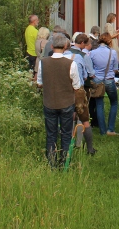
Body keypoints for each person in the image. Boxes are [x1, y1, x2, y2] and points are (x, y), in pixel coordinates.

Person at [37, 33, 82, 168]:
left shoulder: (43, 63)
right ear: (65, 47)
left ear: (52, 46)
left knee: (51, 134)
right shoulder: (71, 64)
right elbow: (77, 86)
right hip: (66, 102)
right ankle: (64, 163)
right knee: (66, 134)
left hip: (49, 102)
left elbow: (39, 83)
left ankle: (51, 163)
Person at [67, 33, 96, 155]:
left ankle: (68, 143)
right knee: (83, 118)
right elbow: (87, 75)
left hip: (65, 90)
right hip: (78, 89)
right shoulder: (82, 56)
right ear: (83, 43)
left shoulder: (65, 54)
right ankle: (85, 147)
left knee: (68, 116)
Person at [91, 34, 119, 136]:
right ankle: (110, 129)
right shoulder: (113, 52)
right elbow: (115, 68)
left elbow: (91, 68)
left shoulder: (93, 52)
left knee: (99, 105)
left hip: (97, 80)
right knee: (114, 103)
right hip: (109, 79)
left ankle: (102, 131)